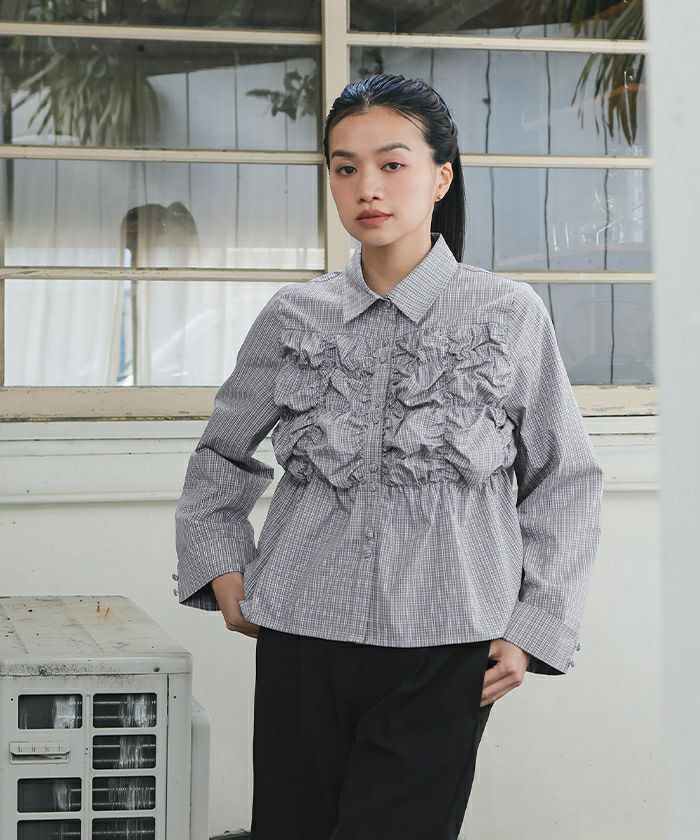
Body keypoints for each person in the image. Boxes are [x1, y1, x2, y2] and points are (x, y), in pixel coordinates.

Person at [174, 73, 604, 840]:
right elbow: (222, 454)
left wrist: (535, 624)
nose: (367, 186)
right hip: (301, 639)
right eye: (346, 167)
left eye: (392, 163)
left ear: (441, 176)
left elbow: (564, 477)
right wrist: (222, 565)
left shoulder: (509, 314)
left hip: (446, 650)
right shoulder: (293, 315)